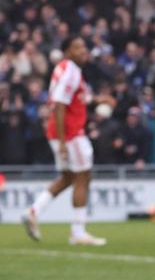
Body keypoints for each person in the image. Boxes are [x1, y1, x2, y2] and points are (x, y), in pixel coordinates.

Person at [23, 37, 106, 246]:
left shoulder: (66, 69)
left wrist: (100, 100)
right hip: (70, 134)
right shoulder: (70, 70)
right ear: (67, 51)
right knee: (83, 177)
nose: (83, 51)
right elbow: (59, 104)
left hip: (60, 132)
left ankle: (34, 211)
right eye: (78, 47)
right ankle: (78, 232)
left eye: (84, 47)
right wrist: (62, 141)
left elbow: (77, 98)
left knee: (68, 177)